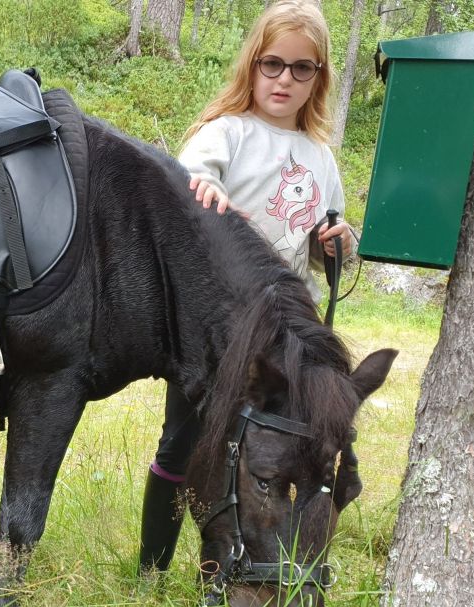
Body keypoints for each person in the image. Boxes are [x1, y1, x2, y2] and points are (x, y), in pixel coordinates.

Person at [139, 0, 358, 573]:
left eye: (302, 68)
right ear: (253, 64)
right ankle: (152, 567)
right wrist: (204, 189)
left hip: (282, 338)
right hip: (218, 329)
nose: (285, 79)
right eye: (272, 64)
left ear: (319, 77)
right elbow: (185, 181)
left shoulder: (320, 157)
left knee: (264, 449)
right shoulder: (227, 133)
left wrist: (336, 243)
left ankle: (232, 566)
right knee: (184, 441)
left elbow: (322, 240)